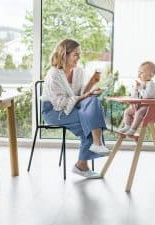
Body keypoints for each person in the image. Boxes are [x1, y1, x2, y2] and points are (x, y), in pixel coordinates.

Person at [41, 39, 110, 179]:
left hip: (72, 106)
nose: (79, 58)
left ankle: (92, 150)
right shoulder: (53, 74)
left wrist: (92, 83)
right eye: (75, 54)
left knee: (93, 102)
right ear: (64, 55)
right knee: (90, 120)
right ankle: (83, 163)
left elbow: (79, 94)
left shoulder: (78, 71)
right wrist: (85, 96)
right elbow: (60, 103)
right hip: (53, 111)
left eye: (79, 54)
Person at [118, 61, 155, 135]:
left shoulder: (151, 84)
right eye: (138, 72)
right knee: (127, 112)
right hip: (139, 105)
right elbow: (133, 97)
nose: (139, 74)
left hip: (149, 107)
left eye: (141, 72)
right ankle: (127, 126)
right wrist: (135, 89)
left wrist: (139, 88)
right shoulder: (141, 84)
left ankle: (133, 129)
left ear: (151, 74)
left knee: (138, 113)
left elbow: (146, 96)